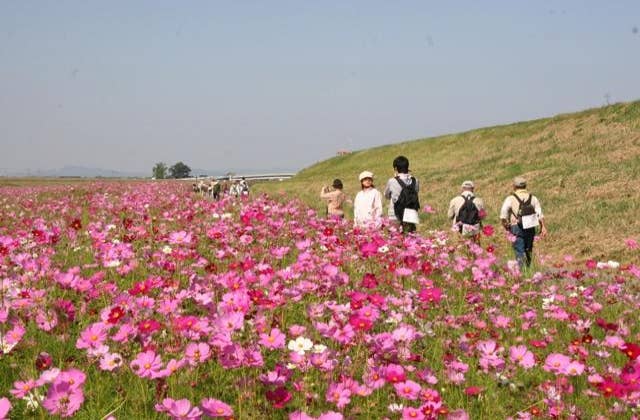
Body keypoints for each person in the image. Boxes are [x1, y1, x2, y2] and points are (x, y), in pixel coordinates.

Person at [500, 176, 547, 268]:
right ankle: (529, 271)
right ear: (526, 186)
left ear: (514, 186)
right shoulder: (533, 198)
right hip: (531, 227)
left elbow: (503, 215)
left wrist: (506, 227)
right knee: (528, 250)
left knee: (519, 252)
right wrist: (543, 227)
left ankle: (522, 275)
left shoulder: (510, 198)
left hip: (516, 227)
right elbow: (539, 214)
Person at [383, 156, 420, 233]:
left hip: (395, 214)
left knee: (396, 239)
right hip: (411, 213)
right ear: (407, 166)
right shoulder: (415, 180)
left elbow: (386, 195)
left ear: (396, 168)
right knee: (411, 237)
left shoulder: (392, 181)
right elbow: (416, 192)